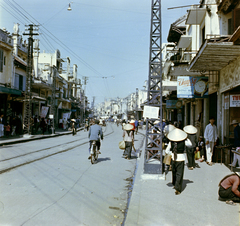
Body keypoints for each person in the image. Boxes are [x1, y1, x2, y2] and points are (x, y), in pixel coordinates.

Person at [165, 128, 192, 195]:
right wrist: (186, 138)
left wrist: (172, 153)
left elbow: (166, 151)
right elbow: (190, 144)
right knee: (179, 174)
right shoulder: (184, 141)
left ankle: (174, 184)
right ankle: (178, 189)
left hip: (174, 158)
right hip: (181, 158)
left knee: (174, 172)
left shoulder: (171, 142)